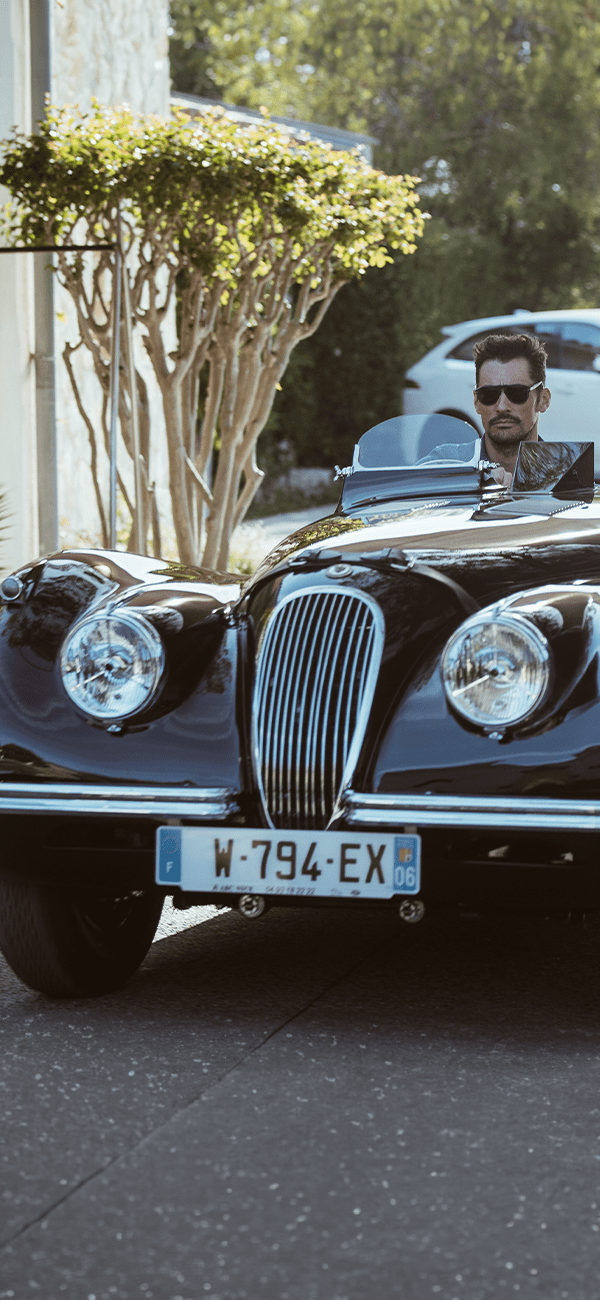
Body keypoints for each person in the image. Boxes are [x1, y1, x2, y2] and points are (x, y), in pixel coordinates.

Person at [473, 332, 551, 487]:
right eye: (489, 394)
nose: (502, 407)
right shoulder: (446, 466)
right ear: (476, 401)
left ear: (543, 399)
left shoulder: (567, 474)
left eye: (517, 393)